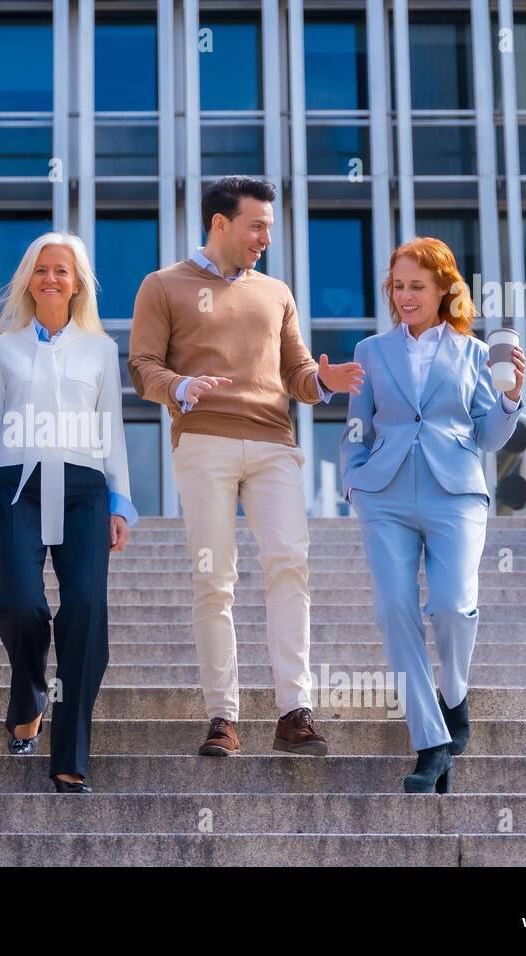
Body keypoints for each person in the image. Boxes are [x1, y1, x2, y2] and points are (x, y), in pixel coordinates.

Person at [128, 176, 363, 759]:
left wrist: (322, 382)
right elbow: (141, 366)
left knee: (290, 563)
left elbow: (297, 373)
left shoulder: (276, 291)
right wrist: (181, 384)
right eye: (256, 225)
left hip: (273, 444)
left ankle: (293, 711)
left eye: (269, 227)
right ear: (220, 223)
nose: (264, 237)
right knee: (215, 578)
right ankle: (222, 716)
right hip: (203, 440)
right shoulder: (163, 285)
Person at [340, 236, 526, 793]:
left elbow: (491, 436)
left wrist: (512, 399)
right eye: (397, 286)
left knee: (450, 604)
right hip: (384, 493)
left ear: (445, 288)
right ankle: (431, 742)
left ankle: (455, 697)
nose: (405, 296)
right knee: (394, 609)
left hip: (456, 493)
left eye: (416, 286)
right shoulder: (370, 351)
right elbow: (357, 425)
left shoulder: (473, 353)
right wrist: (353, 480)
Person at [0, 232, 136, 794]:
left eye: (62, 270)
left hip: (83, 487)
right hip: (17, 486)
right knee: (18, 602)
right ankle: (30, 691)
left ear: (77, 281)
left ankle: (71, 754)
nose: (51, 279)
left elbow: (112, 427)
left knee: (85, 611)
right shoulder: (1, 348)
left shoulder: (101, 349)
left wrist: (119, 499)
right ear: (28, 280)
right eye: (42, 270)